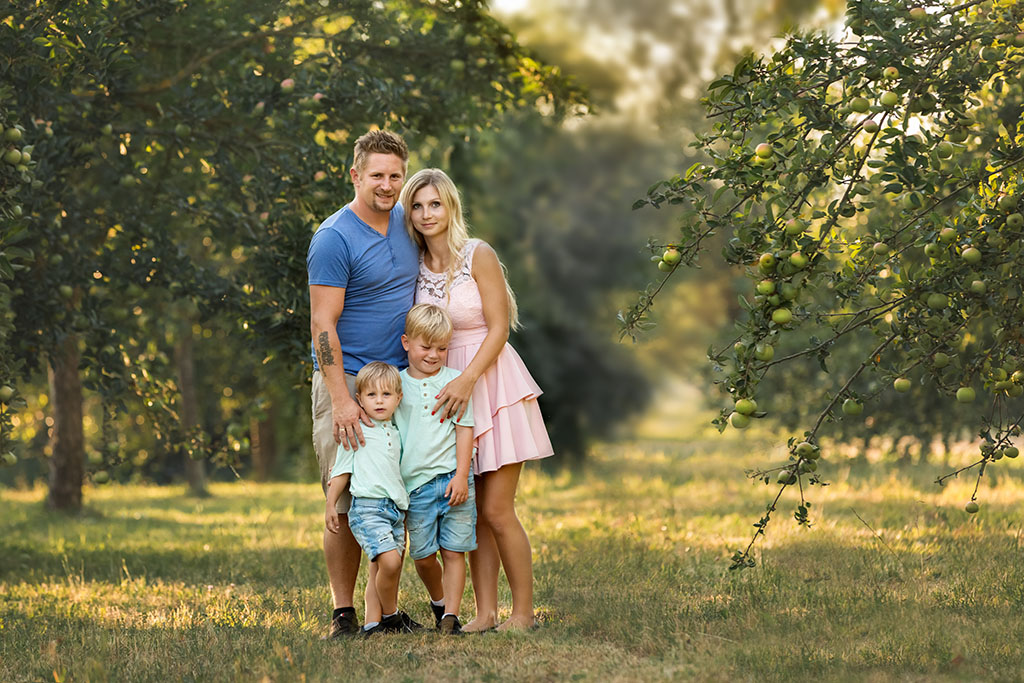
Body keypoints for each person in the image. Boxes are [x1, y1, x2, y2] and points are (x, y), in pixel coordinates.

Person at [398, 168, 554, 632]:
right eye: (418, 205)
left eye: (435, 204)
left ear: (451, 207)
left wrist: (467, 379)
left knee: (497, 509)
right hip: (446, 392)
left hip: (490, 379)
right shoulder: (415, 267)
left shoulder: (477, 254)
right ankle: (485, 614)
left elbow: (500, 328)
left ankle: (523, 614)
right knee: (472, 513)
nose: (427, 214)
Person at [307, 129, 418, 639]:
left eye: (396, 175)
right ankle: (343, 614)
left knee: (395, 496)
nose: (388, 184)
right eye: (377, 175)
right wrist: (340, 400)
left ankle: (384, 613)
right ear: (355, 175)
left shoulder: (408, 221)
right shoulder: (334, 237)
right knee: (347, 498)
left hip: (398, 385)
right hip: (348, 382)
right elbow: (322, 325)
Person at [394, 303, 476, 635]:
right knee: (424, 556)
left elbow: (464, 429)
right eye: (426, 346)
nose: (434, 355)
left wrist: (461, 476)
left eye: (441, 348)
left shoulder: (455, 381)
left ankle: (451, 618)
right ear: (406, 343)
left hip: (453, 481)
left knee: (455, 551)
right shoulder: (396, 386)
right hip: (416, 486)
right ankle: (439, 602)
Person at [324, 362, 416, 636]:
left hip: (395, 511)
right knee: (390, 562)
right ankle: (391, 616)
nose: (379, 401)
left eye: (386, 395)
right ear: (359, 399)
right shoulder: (356, 431)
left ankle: (374, 624)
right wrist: (331, 503)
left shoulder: (398, 432)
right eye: (371, 395)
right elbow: (341, 470)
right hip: (367, 508)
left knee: (378, 566)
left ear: (398, 399)